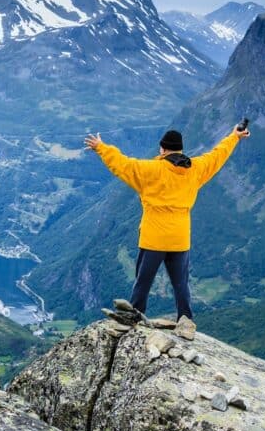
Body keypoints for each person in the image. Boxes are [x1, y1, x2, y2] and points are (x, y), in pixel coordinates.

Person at [84, 124, 250, 340]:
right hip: (180, 238)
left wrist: (101, 147)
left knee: (143, 281)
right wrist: (234, 137)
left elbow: (123, 164)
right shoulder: (197, 169)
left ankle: (132, 318)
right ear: (180, 150)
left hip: (154, 237)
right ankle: (186, 322)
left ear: (162, 150)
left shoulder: (151, 170)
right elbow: (217, 155)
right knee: (180, 283)